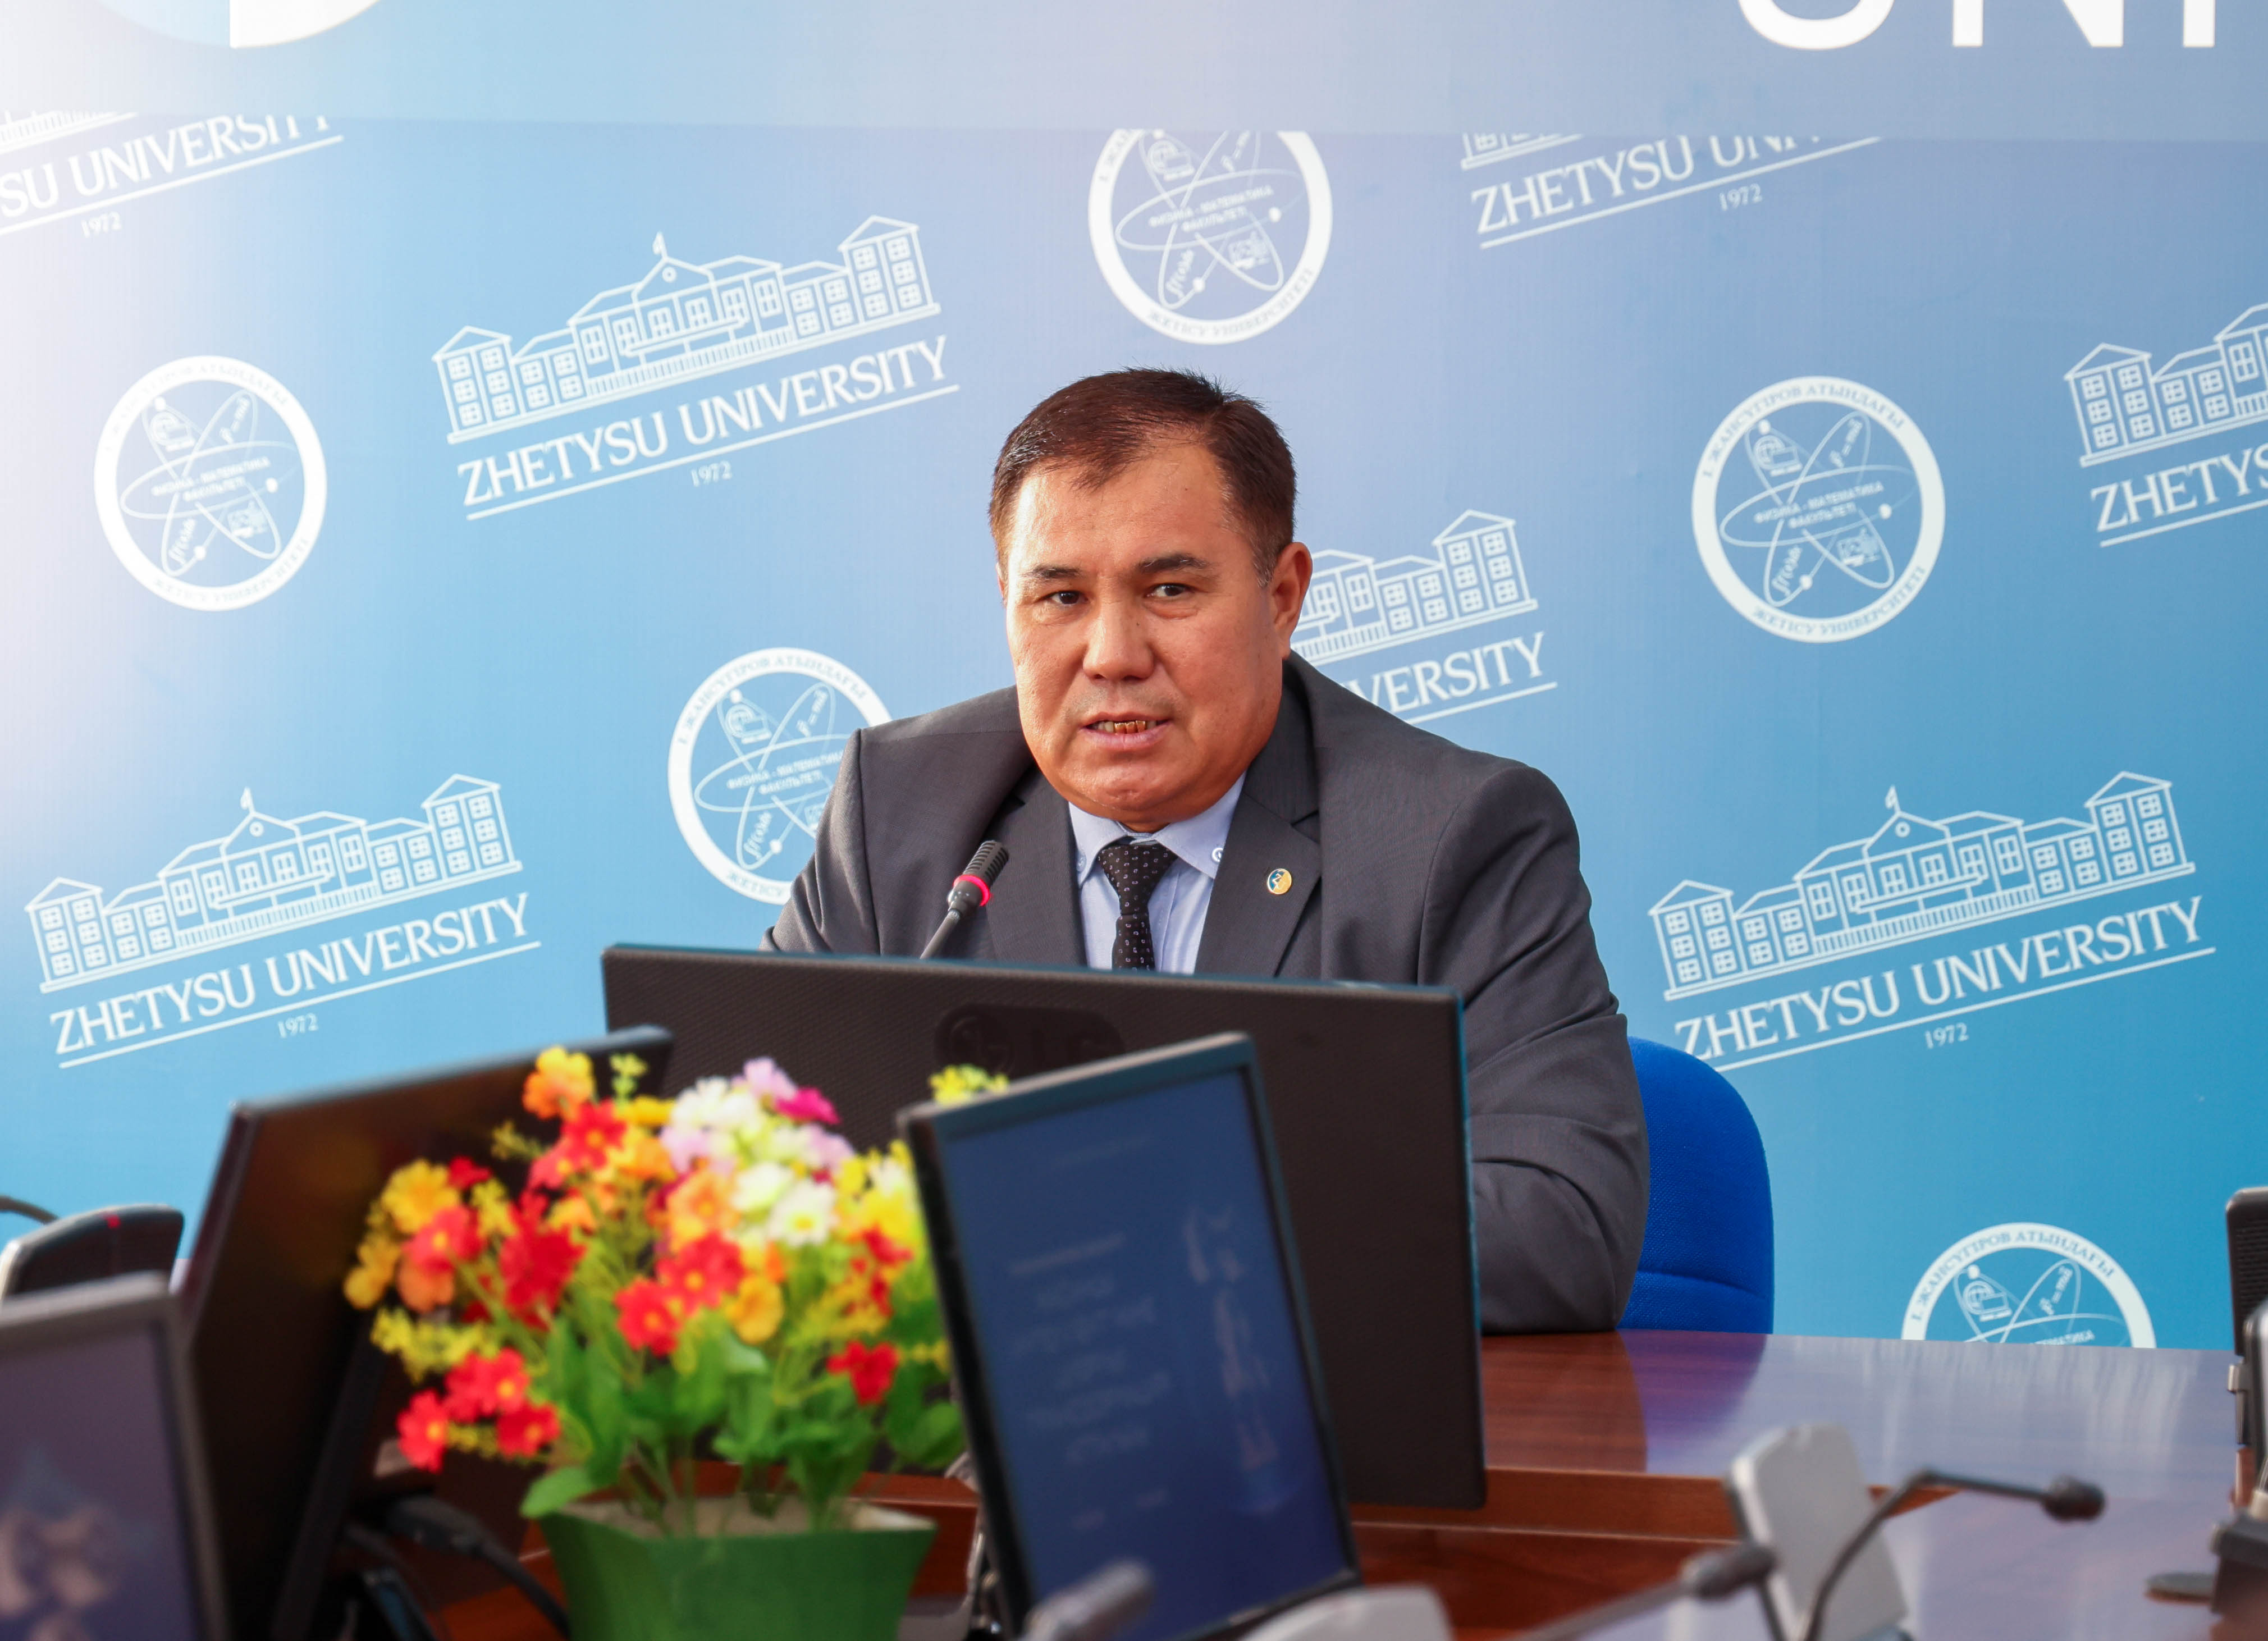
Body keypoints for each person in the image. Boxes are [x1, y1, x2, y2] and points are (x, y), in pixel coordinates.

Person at [768, 368, 1647, 1331]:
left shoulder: (1452, 836)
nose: (1112, 654)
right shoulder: (897, 813)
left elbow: (1564, 1225)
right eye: (1059, 597)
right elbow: (748, 1168)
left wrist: (1115, 1238)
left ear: (1282, 595)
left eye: (1170, 590)